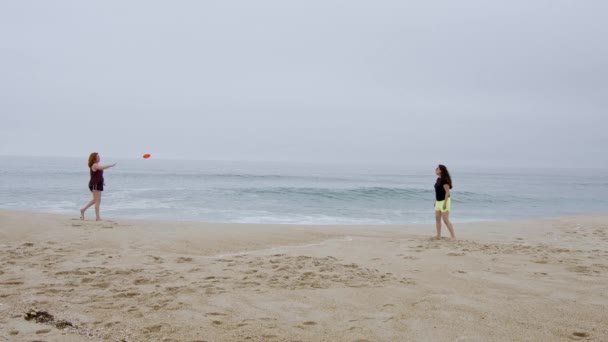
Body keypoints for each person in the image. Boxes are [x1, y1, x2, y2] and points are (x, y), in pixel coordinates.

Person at [80, 152, 116, 221]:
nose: (99, 158)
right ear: (94, 159)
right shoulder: (95, 165)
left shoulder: (97, 165)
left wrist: (103, 182)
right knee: (97, 201)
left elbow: (99, 175)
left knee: (95, 200)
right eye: (97, 157)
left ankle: (83, 210)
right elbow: (102, 168)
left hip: (98, 183)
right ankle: (97, 217)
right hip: (95, 184)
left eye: (99, 156)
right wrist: (110, 165)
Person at [434, 164, 455, 239]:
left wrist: (445, 203)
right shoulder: (438, 179)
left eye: (437, 168)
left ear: (441, 170)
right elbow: (437, 191)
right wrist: (435, 201)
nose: (436, 169)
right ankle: (438, 235)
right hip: (438, 201)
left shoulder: (444, 180)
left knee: (445, 220)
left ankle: (453, 236)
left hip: (444, 201)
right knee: (437, 218)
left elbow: (447, 192)